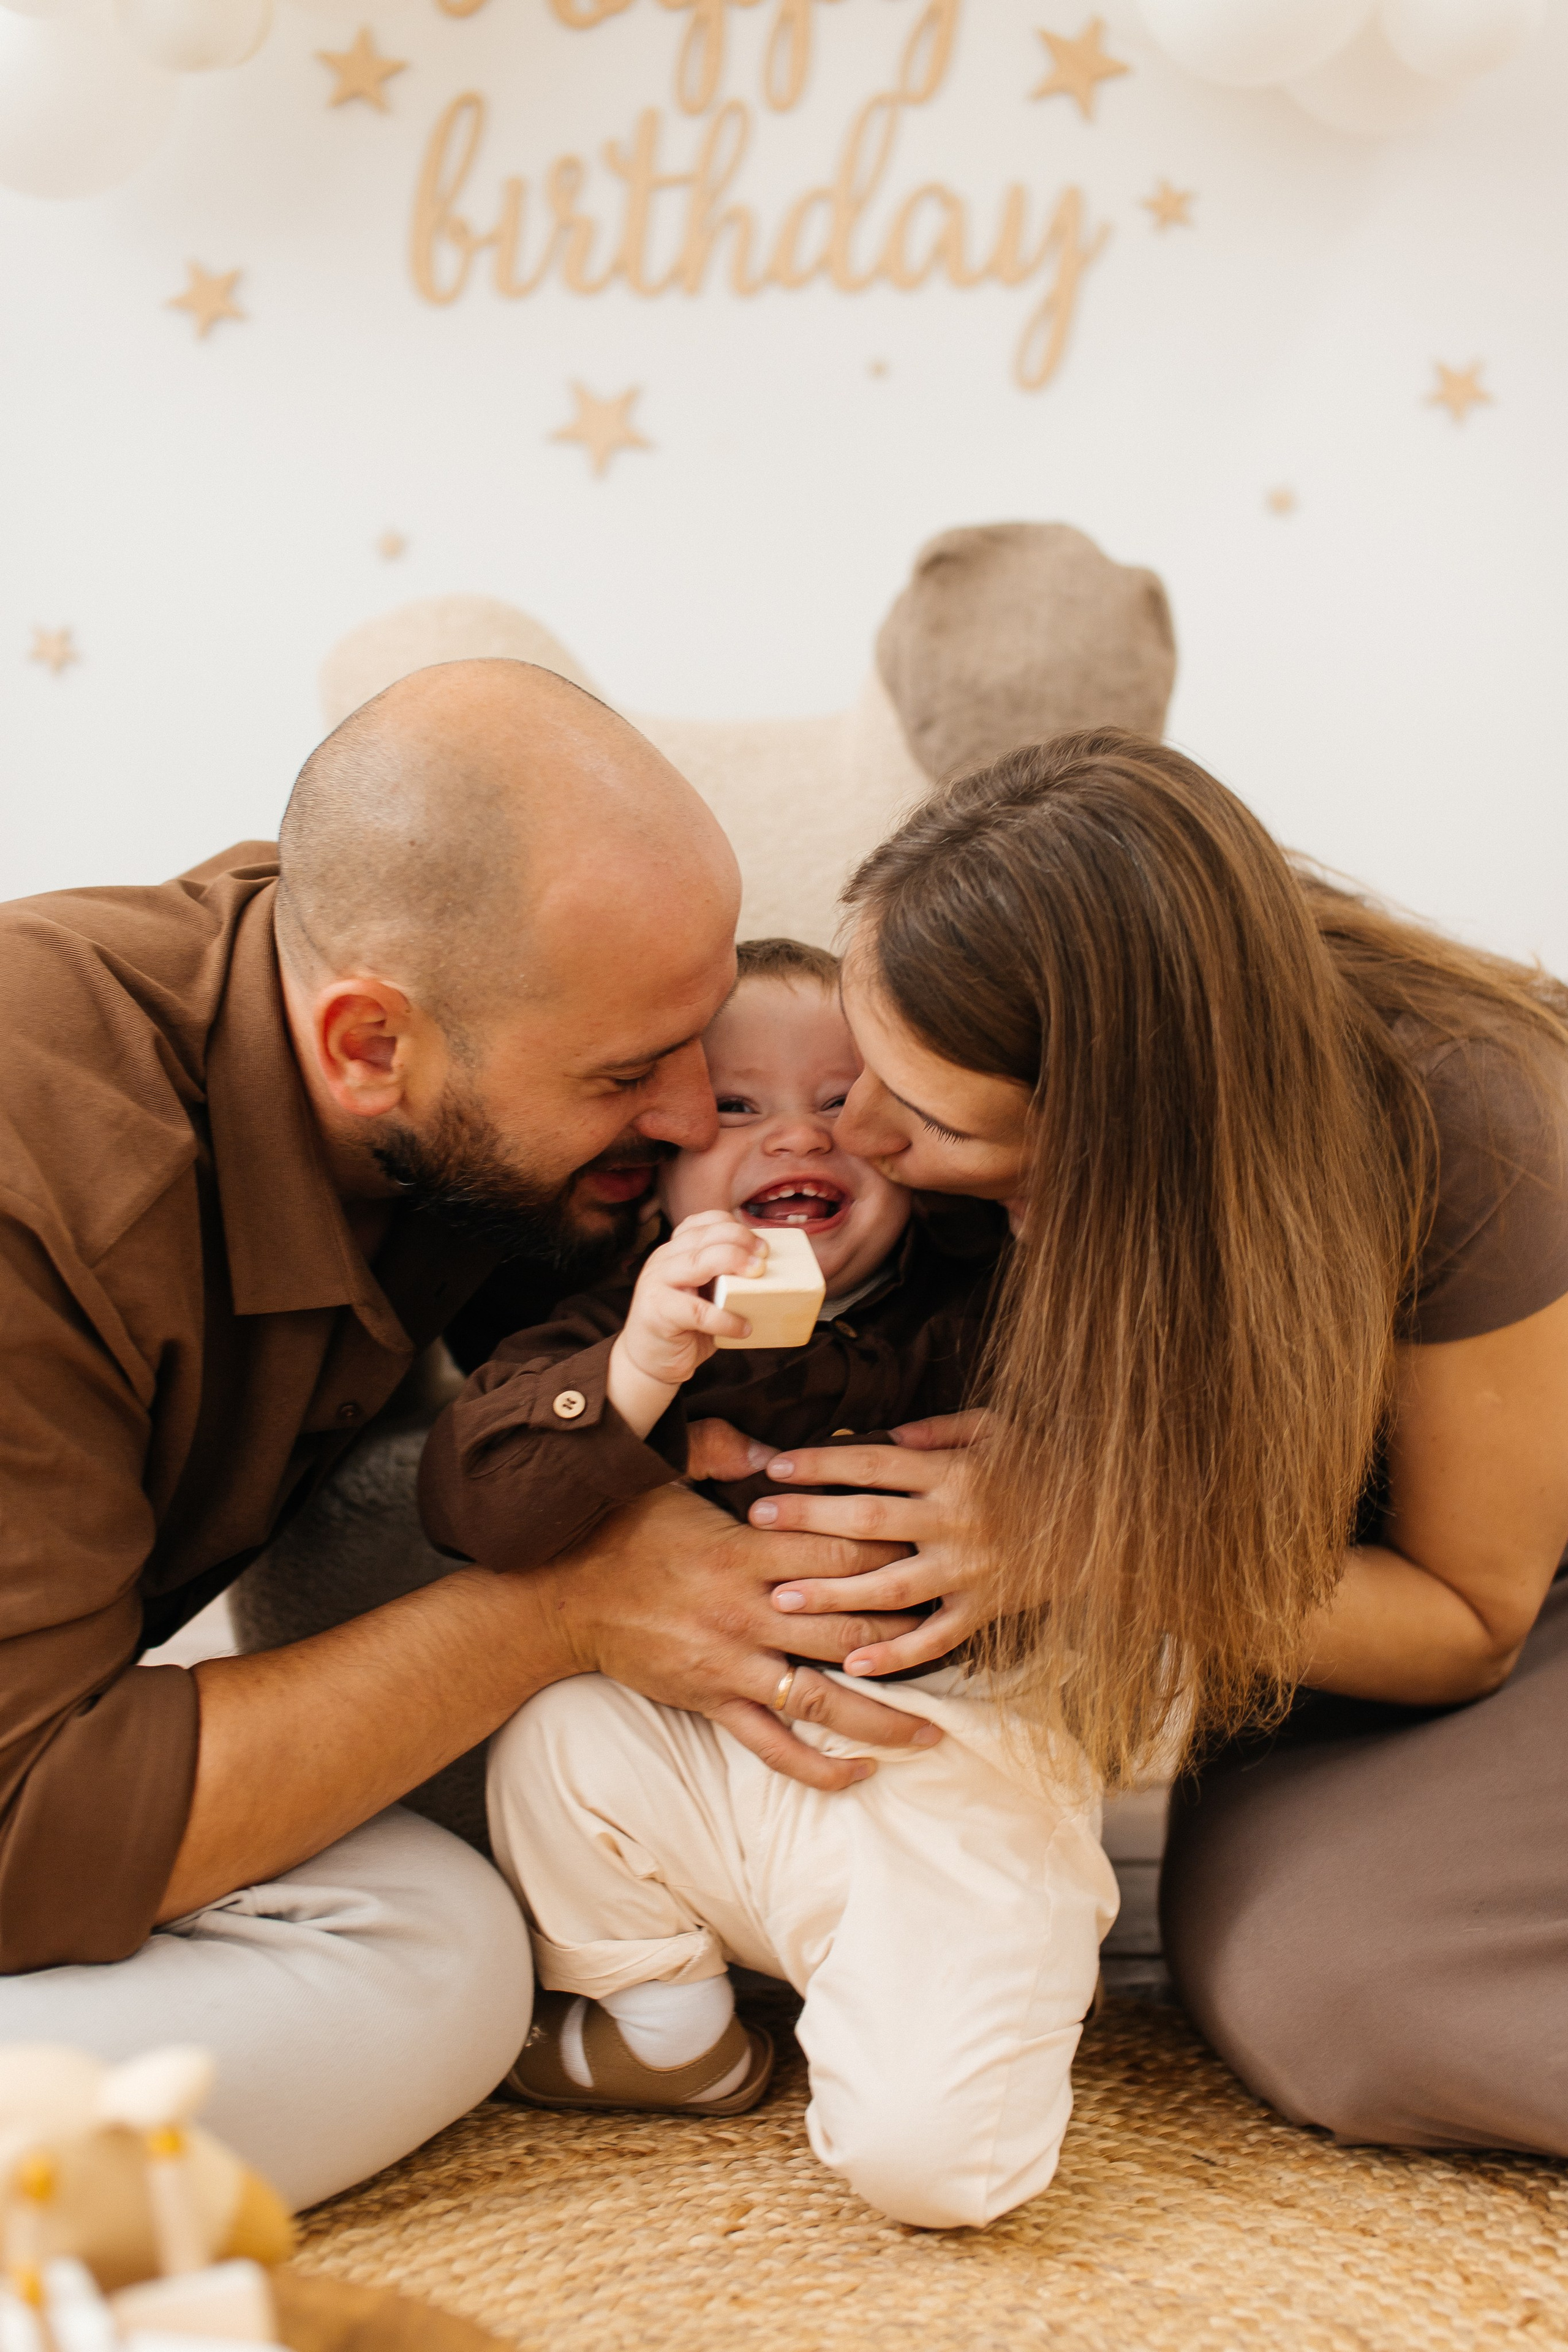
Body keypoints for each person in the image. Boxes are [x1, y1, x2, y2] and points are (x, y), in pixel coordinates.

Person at [0, 660, 934, 2210]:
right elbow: (24, 1831)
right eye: (633, 1073)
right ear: (367, 1046)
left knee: (443, 1941)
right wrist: (554, 1614)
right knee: (413, 1983)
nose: (698, 1118)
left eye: (692, 1039)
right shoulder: (54, 1175)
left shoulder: (425, 1042)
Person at [717, 729, 1568, 2162]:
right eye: (863, 1060)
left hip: (1494, 1601)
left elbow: (1470, 1618)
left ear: (1115, 1141)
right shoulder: (968, 1127)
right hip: (1317, 1620)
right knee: (1285, 1962)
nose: (854, 1128)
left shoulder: (1465, 1117)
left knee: (1348, 1997)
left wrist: (1076, 1532)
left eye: (916, 1113)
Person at [417, 937, 1114, 2230]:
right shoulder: (621, 1323)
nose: (800, 1135)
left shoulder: (992, 1309)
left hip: (934, 1763)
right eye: (736, 1108)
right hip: (705, 1767)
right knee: (554, 1736)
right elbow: (472, 1504)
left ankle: (942, 1999)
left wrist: (1050, 1462)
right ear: (659, 1167)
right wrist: (638, 1374)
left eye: (847, 1100)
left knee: (936, 2171)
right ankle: (674, 2031)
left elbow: (1151, 1430)